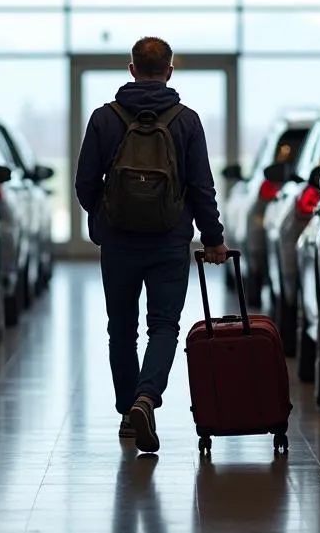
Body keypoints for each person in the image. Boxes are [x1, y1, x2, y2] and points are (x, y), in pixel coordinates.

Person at [75, 37, 228, 454]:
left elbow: (84, 185)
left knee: (120, 328)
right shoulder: (186, 120)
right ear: (169, 71)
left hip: (119, 242)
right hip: (169, 240)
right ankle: (148, 397)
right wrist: (212, 238)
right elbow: (201, 186)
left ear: (131, 68)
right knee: (164, 325)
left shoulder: (104, 119)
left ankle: (128, 411)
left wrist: (106, 214)